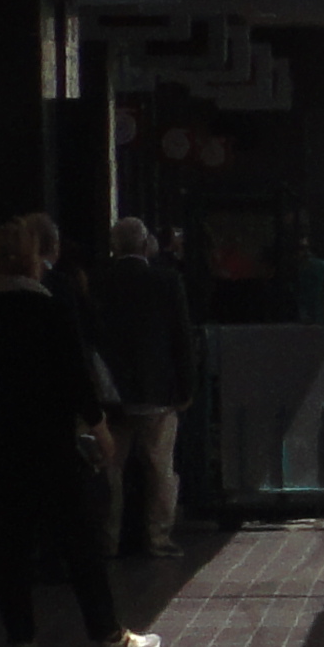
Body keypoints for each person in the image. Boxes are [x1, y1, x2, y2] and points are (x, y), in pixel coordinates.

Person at [0, 219, 158, 647]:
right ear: (32, 259)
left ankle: (21, 644)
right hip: (50, 446)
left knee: (10, 548)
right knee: (80, 543)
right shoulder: (49, 310)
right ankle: (108, 636)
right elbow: (75, 375)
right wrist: (98, 426)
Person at [87, 216, 198, 558]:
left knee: (110, 468)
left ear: (114, 246)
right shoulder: (167, 280)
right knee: (160, 468)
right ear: (146, 243)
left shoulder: (98, 281)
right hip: (157, 392)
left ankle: (107, 539)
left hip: (111, 394)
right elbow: (181, 337)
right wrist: (186, 387)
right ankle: (158, 537)